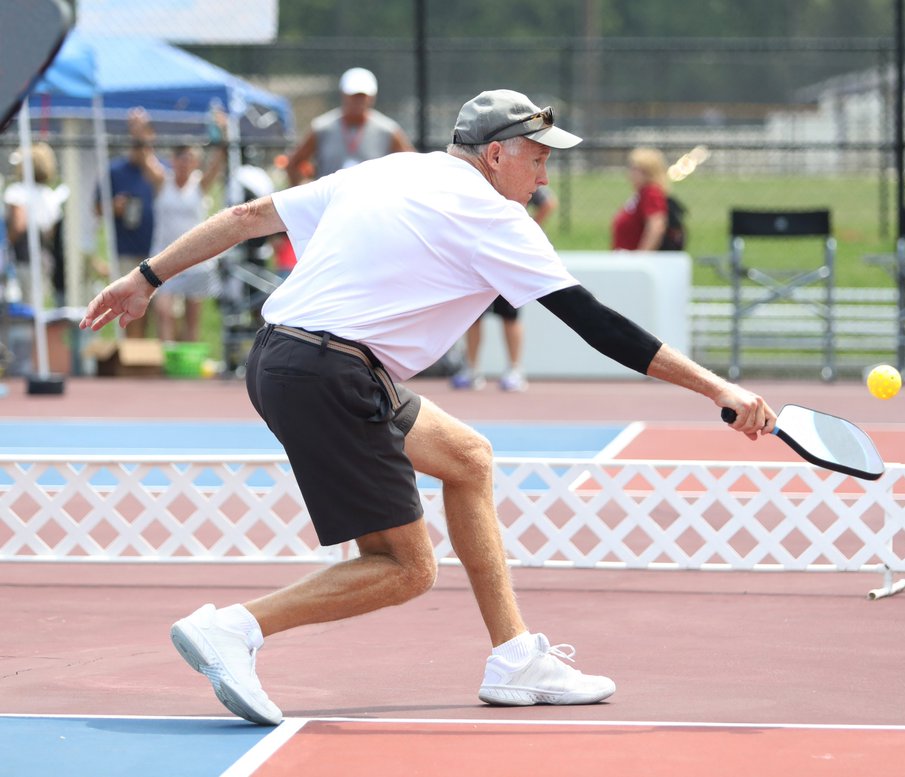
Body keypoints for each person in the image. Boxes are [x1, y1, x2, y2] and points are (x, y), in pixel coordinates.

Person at [80, 88, 775, 726]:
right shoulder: (495, 217)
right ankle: (234, 629)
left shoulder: (389, 168)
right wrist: (719, 388)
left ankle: (513, 658)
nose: (543, 177)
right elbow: (599, 326)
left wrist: (146, 277)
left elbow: (246, 217)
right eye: (537, 159)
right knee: (407, 567)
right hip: (332, 372)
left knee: (468, 459)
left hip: (281, 355)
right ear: (496, 155)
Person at [450, 185, 557, 392]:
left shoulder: (514, 176)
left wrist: (530, 229)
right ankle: (472, 369)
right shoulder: (476, 179)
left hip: (507, 255)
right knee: (473, 314)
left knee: (510, 313)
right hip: (479, 254)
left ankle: (515, 369)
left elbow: (548, 202)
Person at [147, 111, 229, 342]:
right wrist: (142, 132)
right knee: (163, 311)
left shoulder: (200, 184)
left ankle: (187, 369)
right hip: (163, 255)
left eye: (189, 158)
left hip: (196, 260)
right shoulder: (163, 181)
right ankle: (166, 362)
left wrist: (223, 132)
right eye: (180, 157)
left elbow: (219, 159)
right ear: (173, 159)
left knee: (192, 319)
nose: (185, 163)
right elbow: (145, 155)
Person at [286, 67, 415, 185]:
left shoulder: (388, 130)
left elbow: (412, 167)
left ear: (372, 97)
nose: (358, 101)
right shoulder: (322, 128)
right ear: (343, 95)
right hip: (330, 204)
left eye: (362, 96)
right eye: (353, 96)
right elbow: (294, 164)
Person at [95, 108, 160, 338]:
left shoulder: (154, 171)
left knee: (155, 309)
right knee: (129, 305)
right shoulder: (114, 170)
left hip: (154, 251)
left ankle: (146, 358)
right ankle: (130, 356)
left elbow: (161, 182)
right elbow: (97, 208)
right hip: (123, 250)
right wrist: (115, 206)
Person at [4, 142, 68, 304]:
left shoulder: (16, 192)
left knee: (20, 307)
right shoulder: (50, 195)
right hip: (44, 259)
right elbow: (51, 231)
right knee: (36, 305)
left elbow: (18, 225)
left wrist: (5, 245)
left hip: (21, 259)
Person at [611, 147, 670, 251]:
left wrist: (642, 257)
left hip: (635, 260)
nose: (630, 173)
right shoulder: (640, 194)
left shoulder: (651, 193)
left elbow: (656, 226)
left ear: (648, 171)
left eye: (635, 169)